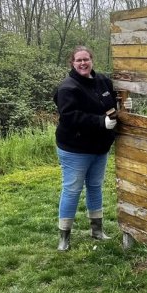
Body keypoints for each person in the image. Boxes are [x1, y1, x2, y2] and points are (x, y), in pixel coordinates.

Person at [53, 45, 118, 251]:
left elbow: (113, 103)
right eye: (78, 60)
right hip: (75, 148)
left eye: (86, 59)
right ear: (72, 63)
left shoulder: (103, 82)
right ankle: (64, 236)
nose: (83, 63)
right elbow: (70, 116)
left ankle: (97, 230)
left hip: (100, 147)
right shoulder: (68, 87)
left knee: (95, 186)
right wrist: (101, 122)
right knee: (72, 190)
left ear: (92, 60)